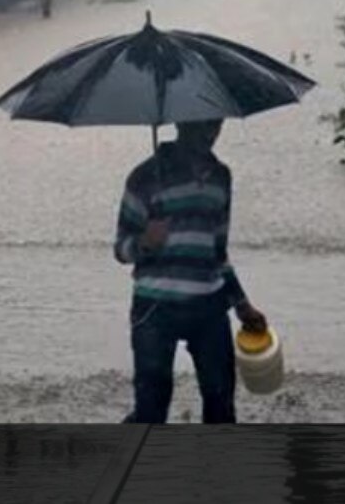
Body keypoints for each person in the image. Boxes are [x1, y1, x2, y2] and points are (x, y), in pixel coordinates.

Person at [114, 119, 266, 424]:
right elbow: (120, 250)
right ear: (181, 122)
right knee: (151, 409)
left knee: (221, 405)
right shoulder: (144, 177)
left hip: (208, 306)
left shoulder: (221, 177)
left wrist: (242, 305)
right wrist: (144, 241)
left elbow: (218, 252)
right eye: (200, 123)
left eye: (215, 123)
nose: (209, 131)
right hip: (154, 308)